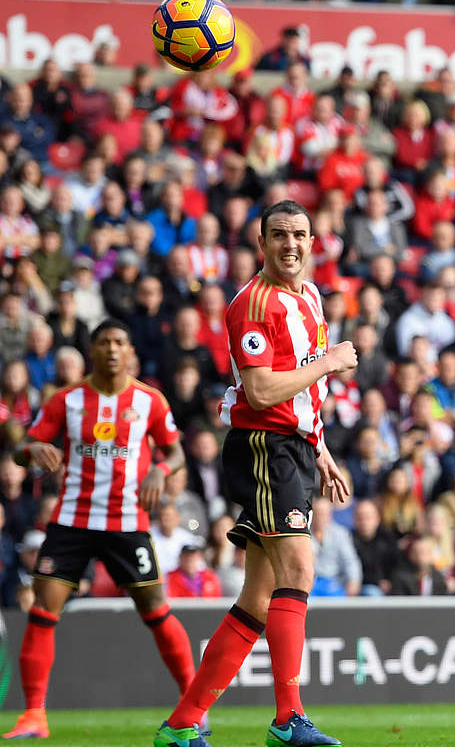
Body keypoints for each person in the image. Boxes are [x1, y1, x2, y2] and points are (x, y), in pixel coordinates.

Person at [153, 201, 357, 747]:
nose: (291, 244)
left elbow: (303, 395)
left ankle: (181, 724)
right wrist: (331, 361)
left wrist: (322, 449)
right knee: (301, 565)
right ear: (261, 243)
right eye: (279, 235)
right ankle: (288, 717)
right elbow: (264, 390)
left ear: (313, 242)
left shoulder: (310, 296)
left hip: (293, 446)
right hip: (264, 447)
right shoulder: (251, 306)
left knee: (258, 599)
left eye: (300, 234)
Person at [4, 320, 194, 740]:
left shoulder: (150, 400)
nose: (112, 349)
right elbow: (20, 450)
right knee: (42, 609)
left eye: (120, 343)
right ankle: (34, 713)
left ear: (129, 351)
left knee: (156, 610)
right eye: (104, 342)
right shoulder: (66, 400)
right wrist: (33, 447)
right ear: (93, 350)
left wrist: (160, 471)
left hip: (128, 523)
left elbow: (176, 452)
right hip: (72, 520)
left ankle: (192, 704)